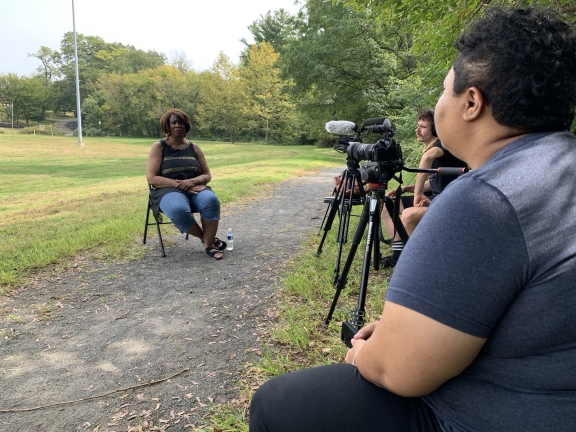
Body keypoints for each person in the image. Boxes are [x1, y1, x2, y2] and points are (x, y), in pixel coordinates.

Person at [249, 5, 576, 431]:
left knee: (276, 403)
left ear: (471, 102)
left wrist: (368, 354)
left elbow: (399, 372)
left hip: (493, 416)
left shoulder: (487, 200)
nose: (440, 102)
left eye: (445, 91)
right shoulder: (559, 170)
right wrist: (400, 330)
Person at [380, 109, 467, 268]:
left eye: (423, 127)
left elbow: (427, 158)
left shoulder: (443, 144)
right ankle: (398, 255)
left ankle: (421, 264)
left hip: (451, 204)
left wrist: (418, 195)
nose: (417, 130)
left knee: (408, 215)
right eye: (418, 125)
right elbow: (434, 182)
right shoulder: (433, 147)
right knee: (387, 205)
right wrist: (407, 188)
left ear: (435, 130)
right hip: (436, 199)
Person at [146, 108, 225, 260]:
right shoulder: (159, 147)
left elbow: (207, 175)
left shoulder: (194, 148)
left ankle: (208, 246)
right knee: (178, 209)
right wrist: (180, 185)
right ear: (167, 126)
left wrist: (193, 181)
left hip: (194, 188)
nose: (178, 125)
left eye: (181, 122)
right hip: (167, 190)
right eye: (174, 122)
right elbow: (152, 178)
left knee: (210, 200)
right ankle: (208, 240)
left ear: (186, 125)